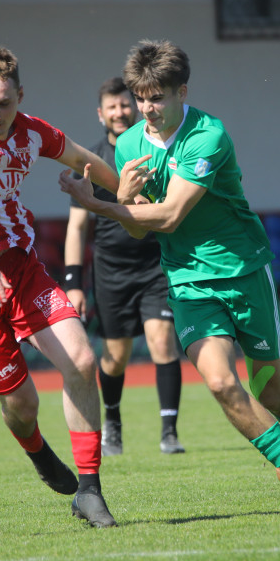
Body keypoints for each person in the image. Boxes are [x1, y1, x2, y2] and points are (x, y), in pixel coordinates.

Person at [60, 39, 280, 517]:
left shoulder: (208, 134)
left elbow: (167, 217)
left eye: (157, 97)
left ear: (181, 91)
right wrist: (125, 202)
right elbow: (138, 227)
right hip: (188, 283)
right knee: (220, 383)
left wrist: (100, 203)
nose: (146, 108)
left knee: (271, 391)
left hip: (244, 271)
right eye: (141, 97)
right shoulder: (127, 145)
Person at [0, 46, 124, 527]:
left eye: (4, 104)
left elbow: (85, 159)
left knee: (82, 359)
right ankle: (37, 452)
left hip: (18, 265)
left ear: (20, 96)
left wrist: (123, 194)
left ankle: (90, 490)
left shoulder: (33, 132)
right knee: (22, 403)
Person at [64, 77, 184, 456]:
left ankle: (169, 431)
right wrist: (73, 283)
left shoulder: (151, 151)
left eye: (124, 105)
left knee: (162, 342)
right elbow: (77, 226)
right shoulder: (94, 161)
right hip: (111, 271)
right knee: (115, 356)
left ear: (136, 107)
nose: (120, 112)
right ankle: (112, 422)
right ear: (101, 114)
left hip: (154, 265)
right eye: (111, 107)